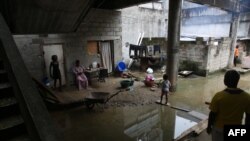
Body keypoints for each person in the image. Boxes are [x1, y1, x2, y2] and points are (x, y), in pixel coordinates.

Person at [207, 70, 250, 141]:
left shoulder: (219, 96)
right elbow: (248, 117)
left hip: (219, 128)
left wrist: (209, 127)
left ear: (225, 81)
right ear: (237, 80)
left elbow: (212, 114)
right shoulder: (247, 97)